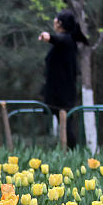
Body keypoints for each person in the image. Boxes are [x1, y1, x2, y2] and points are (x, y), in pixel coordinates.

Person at [39, 10, 89, 150]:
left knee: (65, 124)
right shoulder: (67, 41)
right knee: (63, 123)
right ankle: (67, 150)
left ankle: (72, 152)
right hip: (59, 92)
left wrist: (48, 37)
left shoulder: (66, 40)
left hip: (62, 94)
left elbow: (58, 39)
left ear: (59, 23)